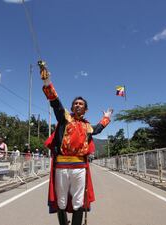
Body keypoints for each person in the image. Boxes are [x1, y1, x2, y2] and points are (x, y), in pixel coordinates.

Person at [39, 60, 112, 225]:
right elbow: (55, 101)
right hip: (62, 167)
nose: (77, 105)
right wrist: (46, 81)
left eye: (81, 104)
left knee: (79, 201)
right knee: (62, 201)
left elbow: (99, 128)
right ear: (72, 107)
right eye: (75, 104)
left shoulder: (87, 126)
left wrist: (106, 117)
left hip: (79, 168)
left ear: (85, 109)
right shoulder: (65, 118)